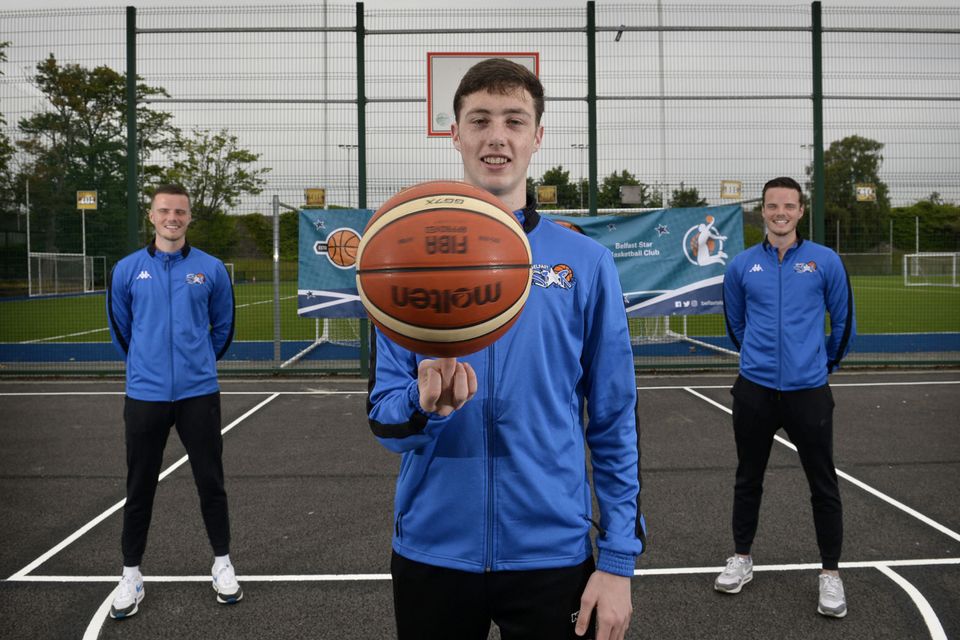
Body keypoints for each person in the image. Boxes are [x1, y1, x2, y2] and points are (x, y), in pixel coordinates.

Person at [367, 58, 645, 640]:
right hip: (434, 549)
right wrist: (424, 408)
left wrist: (618, 558)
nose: (497, 136)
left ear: (537, 136)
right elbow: (384, 412)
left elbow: (615, 419)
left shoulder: (585, 262)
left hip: (551, 551)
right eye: (480, 120)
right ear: (455, 133)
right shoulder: (401, 262)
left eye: (515, 120)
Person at [717, 176, 855, 618]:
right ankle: (741, 558)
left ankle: (830, 575)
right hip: (754, 391)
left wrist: (818, 366)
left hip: (808, 392)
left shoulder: (825, 261)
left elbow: (844, 323)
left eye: (789, 206)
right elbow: (735, 324)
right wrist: (759, 365)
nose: (781, 213)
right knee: (747, 478)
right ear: (763, 211)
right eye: (773, 205)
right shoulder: (741, 266)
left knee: (823, 484)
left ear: (800, 211)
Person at [106, 183, 242, 619]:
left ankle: (222, 563)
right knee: (139, 485)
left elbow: (223, 328)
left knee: (211, 482)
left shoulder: (212, 269)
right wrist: (148, 367)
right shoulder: (127, 270)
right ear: (151, 216)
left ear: (188, 217)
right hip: (144, 395)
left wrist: (195, 364)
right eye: (164, 210)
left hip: (198, 394)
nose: (172, 217)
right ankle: (131, 574)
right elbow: (122, 332)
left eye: (180, 211)